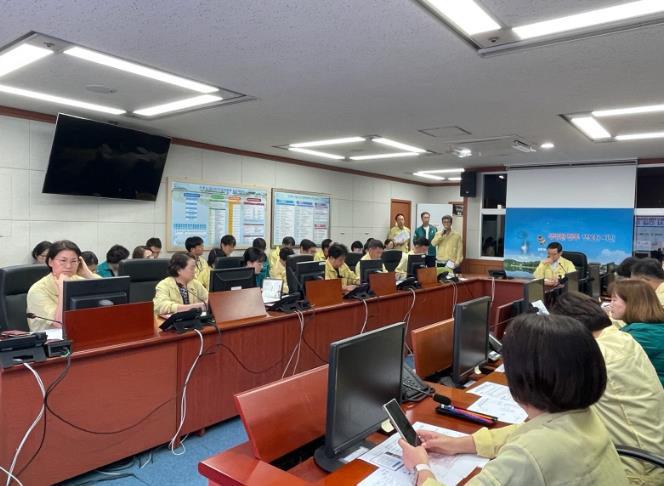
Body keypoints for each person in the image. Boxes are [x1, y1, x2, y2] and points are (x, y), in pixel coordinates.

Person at [399, 313, 627, 486]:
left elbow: (528, 448)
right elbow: (522, 432)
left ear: (522, 379)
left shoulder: (530, 453)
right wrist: (458, 444)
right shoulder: (581, 415)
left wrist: (420, 467)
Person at [550, 292, 664, 485]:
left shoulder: (595, 355)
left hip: (637, 472)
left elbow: (554, 410)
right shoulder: (623, 339)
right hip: (653, 452)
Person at [26, 240, 100, 331]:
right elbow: (60, 323)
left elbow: (107, 295)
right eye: (63, 260)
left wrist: (88, 274)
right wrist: (63, 288)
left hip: (79, 332)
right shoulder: (38, 290)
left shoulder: (78, 280)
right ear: (50, 262)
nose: (68, 266)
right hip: (51, 338)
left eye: (74, 261)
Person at [610, 280, 664, 386]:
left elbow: (608, 361)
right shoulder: (651, 326)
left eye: (614, 300)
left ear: (631, 303)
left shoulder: (642, 334)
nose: (610, 305)